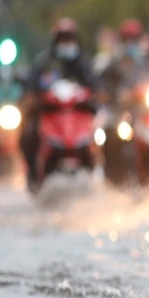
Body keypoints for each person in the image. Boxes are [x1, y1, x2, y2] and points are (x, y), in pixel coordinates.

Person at [20, 18, 97, 188]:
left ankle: (103, 175)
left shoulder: (83, 64)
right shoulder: (44, 63)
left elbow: (97, 87)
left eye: (69, 38)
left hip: (78, 116)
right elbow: (30, 88)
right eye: (63, 39)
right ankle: (33, 176)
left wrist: (97, 95)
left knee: (105, 134)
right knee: (27, 134)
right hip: (49, 114)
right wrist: (32, 98)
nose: (66, 43)